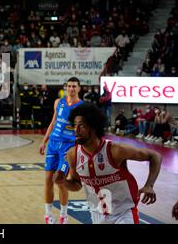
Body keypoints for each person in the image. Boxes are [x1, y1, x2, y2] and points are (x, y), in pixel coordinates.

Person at [55, 103, 162, 224]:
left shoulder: (115, 150)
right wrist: (63, 182)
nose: (76, 130)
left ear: (93, 127)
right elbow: (76, 185)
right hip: (97, 215)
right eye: (75, 125)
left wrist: (149, 185)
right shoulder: (72, 154)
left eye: (82, 126)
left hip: (124, 213)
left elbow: (155, 156)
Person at [38, 77, 84, 224]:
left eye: (74, 86)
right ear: (65, 88)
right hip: (53, 143)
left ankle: (63, 216)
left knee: (60, 180)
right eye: (69, 86)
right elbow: (53, 122)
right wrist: (44, 141)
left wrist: (77, 148)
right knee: (47, 180)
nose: (71, 89)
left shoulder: (82, 107)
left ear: (79, 88)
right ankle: (48, 215)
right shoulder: (58, 102)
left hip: (68, 146)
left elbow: (84, 130)